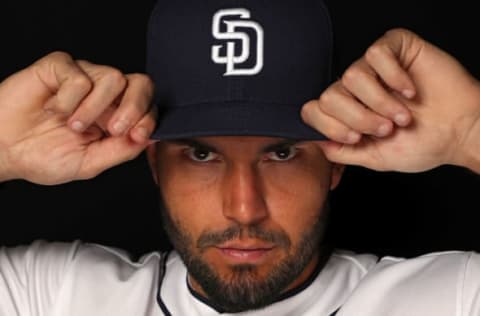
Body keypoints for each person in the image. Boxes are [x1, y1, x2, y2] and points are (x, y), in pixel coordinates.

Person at [0, 1, 479, 316]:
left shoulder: (449, 299)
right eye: (202, 154)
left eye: (283, 152)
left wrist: (470, 131)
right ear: (153, 164)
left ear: (337, 162)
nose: (245, 208)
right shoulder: (57, 296)